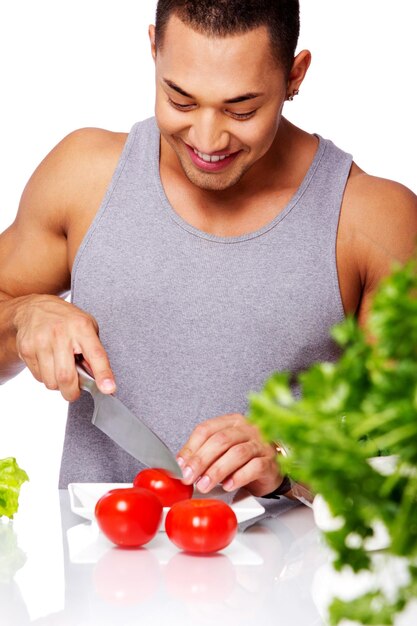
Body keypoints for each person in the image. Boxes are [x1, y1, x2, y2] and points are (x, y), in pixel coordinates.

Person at [0, 0, 416, 495]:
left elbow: (399, 433)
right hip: (100, 566)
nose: (207, 138)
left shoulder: (373, 218)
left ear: (294, 75)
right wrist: (22, 316)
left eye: (241, 109)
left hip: (291, 572)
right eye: (180, 100)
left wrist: (290, 454)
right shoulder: (82, 176)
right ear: (154, 49)